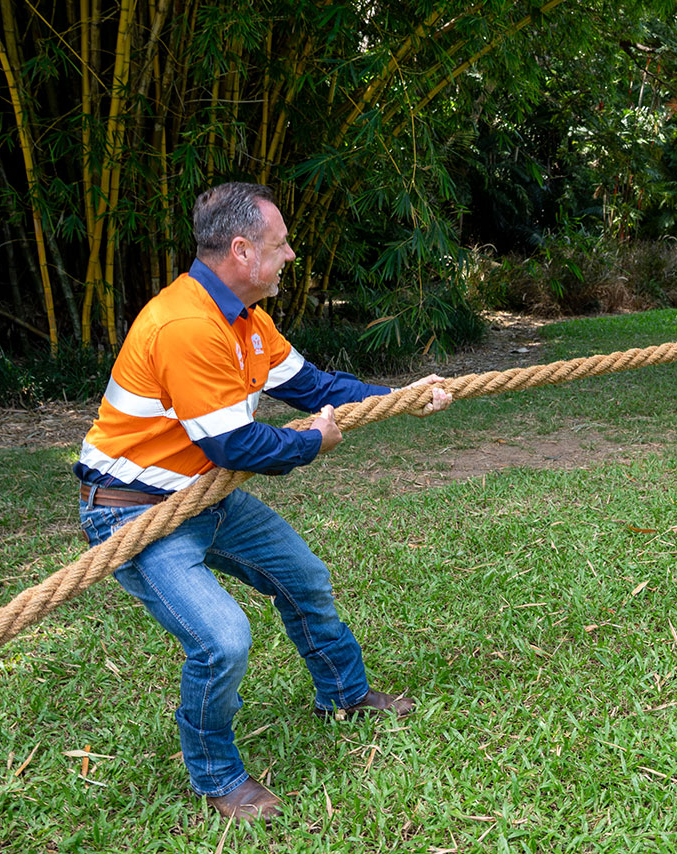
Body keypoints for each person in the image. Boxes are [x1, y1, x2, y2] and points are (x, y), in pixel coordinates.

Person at [74, 182, 452, 821]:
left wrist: (404, 393)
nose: (292, 256)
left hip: (203, 495)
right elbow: (234, 445)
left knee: (303, 577)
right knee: (223, 640)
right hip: (134, 511)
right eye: (281, 246)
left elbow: (314, 386)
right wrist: (312, 444)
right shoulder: (185, 324)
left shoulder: (247, 321)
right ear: (243, 250)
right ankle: (217, 778)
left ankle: (343, 694)